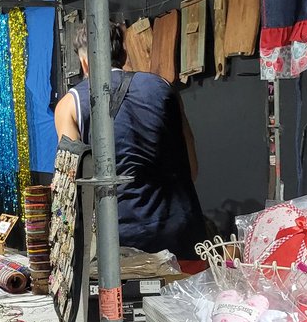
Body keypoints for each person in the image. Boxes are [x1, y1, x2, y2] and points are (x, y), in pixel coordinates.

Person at [54, 22, 206, 260]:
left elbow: (75, 189)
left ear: (83, 62)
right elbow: (192, 168)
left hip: (119, 242)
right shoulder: (165, 88)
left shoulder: (69, 105)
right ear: (124, 54)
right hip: (181, 233)